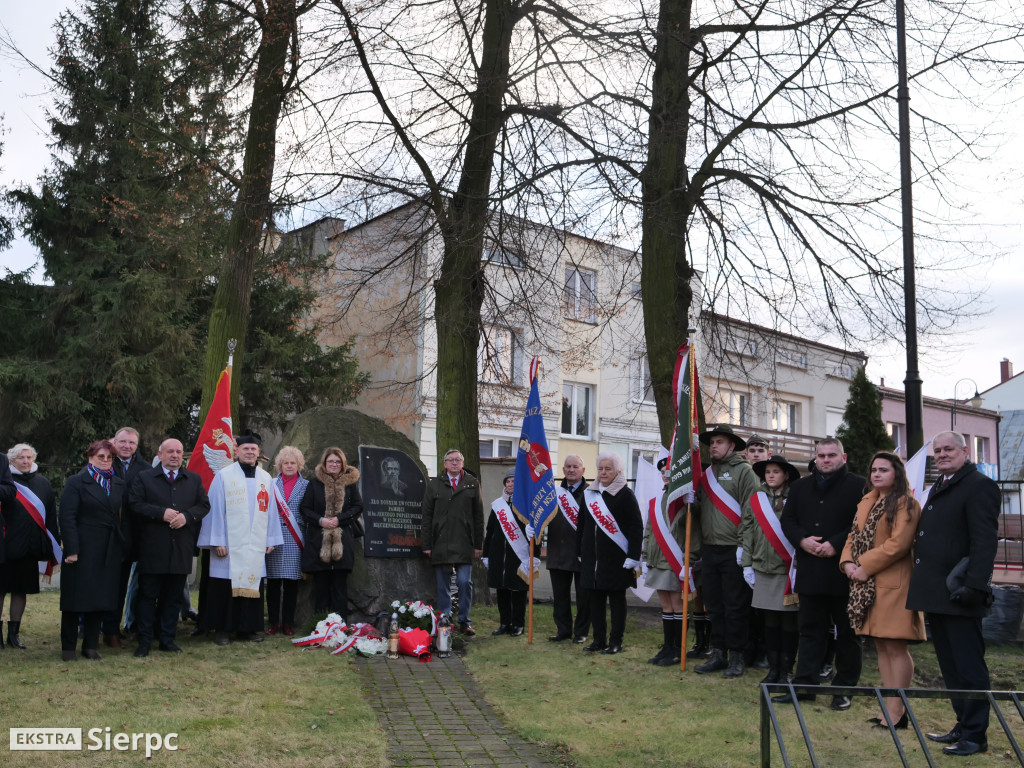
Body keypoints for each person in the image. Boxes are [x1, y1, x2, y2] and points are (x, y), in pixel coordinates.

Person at [907, 431, 1000, 756]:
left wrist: (974, 586)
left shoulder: (979, 486)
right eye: (938, 451)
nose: (942, 455)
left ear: (964, 451)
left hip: (961, 593)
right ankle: (963, 724)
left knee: (969, 667)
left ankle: (976, 736)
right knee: (950, 666)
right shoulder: (943, 486)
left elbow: (984, 542)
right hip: (937, 593)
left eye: (949, 449)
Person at [776, 437, 865, 710]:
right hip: (811, 570)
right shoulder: (801, 486)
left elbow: (863, 524)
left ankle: (844, 689)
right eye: (821, 455)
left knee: (848, 634)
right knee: (810, 632)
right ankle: (805, 687)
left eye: (831, 455)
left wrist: (835, 544)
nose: (825, 460)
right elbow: (788, 520)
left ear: (843, 457)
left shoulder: (860, 486)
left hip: (844, 571)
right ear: (815, 458)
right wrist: (803, 540)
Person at [839, 451, 924, 729]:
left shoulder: (906, 504)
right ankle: (890, 710)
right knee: (882, 647)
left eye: (884, 470)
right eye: (874, 470)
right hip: (867, 585)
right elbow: (853, 534)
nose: (876, 474)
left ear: (896, 473)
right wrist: (848, 563)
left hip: (893, 584)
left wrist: (864, 565)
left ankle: (898, 712)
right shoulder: (867, 501)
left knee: (895, 647)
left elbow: (899, 544)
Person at [198, 433, 283, 645]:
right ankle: (223, 630)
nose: (250, 452)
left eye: (254, 449)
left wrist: (270, 538)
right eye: (246, 449)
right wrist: (217, 540)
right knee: (225, 588)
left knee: (252, 586)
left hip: (254, 544)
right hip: (228, 544)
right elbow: (214, 509)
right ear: (237, 451)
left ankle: (248, 629)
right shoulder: (224, 475)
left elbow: (271, 510)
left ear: (258, 453)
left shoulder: (266, 479)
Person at [128, 438, 210, 657]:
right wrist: (160, 513)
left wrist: (187, 516)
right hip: (152, 548)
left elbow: (203, 505)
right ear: (160, 454)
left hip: (180, 548)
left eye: (179, 452)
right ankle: (144, 641)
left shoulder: (193, 479)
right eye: (170, 451)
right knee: (147, 597)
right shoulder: (144, 478)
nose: (175, 455)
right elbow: (134, 505)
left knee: (173, 598)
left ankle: (167, 639)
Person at [693, 424, 759, 678]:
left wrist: (744, 547)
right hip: (710, 551)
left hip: (734, 550)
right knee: (714, 606)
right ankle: (718, 652)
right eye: (712, 442)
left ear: (732, 445)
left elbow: (751, 512)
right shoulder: (706, 474)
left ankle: (737, 656)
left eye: (719, 442)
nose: (714, 446)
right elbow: (702, 514)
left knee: (735, 607)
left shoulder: (745, 473)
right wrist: (692, 502)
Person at [58, 440, 130, 661]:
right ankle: (69, 648)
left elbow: (120, 517)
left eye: (109, 458)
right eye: (101, 457)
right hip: (81, 548)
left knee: (100, 598)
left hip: (108, 548)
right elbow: (67, 517)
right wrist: (71, 549)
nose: (106, 461)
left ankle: (90, 646)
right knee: (74, 599)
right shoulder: (77, 482)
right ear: (90, 458)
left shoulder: (118, 483)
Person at [577, 452, 643, 655]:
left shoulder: (625, 494)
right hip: (592, 559)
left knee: (616, 601)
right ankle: (598, 640)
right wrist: (580, 551)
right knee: (595, 601)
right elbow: (581, 525)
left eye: (608, 469)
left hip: (617, 559)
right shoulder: (589, 493)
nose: (603, 472)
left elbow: (636, 527)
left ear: (617, 471)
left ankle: (616, 641)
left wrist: (633, 555)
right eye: (601, 469)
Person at [744, 454, 801, 685]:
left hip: (787, 569)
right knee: (769, 621)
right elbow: (747, 530)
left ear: (786, 475)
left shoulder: (796, 497)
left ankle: (786, 669)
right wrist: (746, 562)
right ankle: (773, 668)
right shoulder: (756, 498)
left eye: (776, 471)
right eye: (768, 472)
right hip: (763, 568)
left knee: (788, 622)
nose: (771, 475)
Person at [421, 449, 484, 636]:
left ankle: (464, 621)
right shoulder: (434, 485)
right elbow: (427, 516)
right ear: (445, 464)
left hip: (465, 542)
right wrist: (427, 544)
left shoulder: (472, 484)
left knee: (465, 582)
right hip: (441, 541)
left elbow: (478, 516)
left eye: (458, 460)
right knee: (443, 586)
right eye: (451, 460)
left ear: (462, 463)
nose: (454, 463)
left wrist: (479, 545)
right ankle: (445, 621)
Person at [645, 456, 699, 667]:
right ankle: (668, 647)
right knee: (666, 606)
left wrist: (689, 560)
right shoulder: (658, 500)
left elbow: (693, 533)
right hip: (658, 559)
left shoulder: (685, 500)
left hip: (675, 559)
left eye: (669, 472)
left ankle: (678, 648)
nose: (665, 476)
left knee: (678, 606)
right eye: (662, 473)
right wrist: (645, 557)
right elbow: (649, 530)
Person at [3, 444, 58, 649]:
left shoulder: (43, 483)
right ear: (11, 461)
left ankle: (13, 635)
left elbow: (50, 517)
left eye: (29, 457)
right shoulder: (5, 481)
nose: (25, 461)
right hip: (6, 546)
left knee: (21, 590)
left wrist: (53, 544)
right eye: (20, 458)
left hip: (29, 549)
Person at [300, 447, 362, 621]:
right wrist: (321, 520)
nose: (334, 464)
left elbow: (358, 506)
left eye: (337, 461)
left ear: (342, 464)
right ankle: (320, 626)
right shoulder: (314, 484)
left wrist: (339, 520)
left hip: (343, 541)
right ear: (324, 463)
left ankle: (340, 625)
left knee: (340, 588)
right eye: (331, 461)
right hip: (320, 542)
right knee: (321, 589)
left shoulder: (350, 484)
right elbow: (304, 509)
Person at [547, 454, 590, 643]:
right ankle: (563, 630)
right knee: (560, 596)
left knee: (584, 597)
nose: (571, 470)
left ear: (583, 470)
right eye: (568, 467)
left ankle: (581, 632)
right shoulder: (553, 493)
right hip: (558, 550)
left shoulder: (592, 493)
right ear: (563, 470)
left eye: (575, 466)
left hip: (583, 553)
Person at [267, 446, 309, 635]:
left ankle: (288, 624)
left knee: (291, 584)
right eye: (286, 463)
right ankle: (273, 622)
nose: (289, 466)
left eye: (293, 463)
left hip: (295, 537)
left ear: (299, 465)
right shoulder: (270, 484)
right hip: (274, 538)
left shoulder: (306, 485)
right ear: (280, 465)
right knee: (274, 584)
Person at [483, 469, 530, 636]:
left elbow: (534, 534)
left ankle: (518, 624)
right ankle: (505, 623)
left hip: (518, 555)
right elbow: (490, 531)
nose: (510, 484)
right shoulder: (498, 505)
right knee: (502, 590)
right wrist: (486, 554)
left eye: (513, 481)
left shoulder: (526, 504)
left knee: (518, 591)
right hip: (498, 555)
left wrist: (535, 555)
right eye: (508, 481)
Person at [108, 426, 144, 647]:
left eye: (131, 443)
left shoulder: (145, 469)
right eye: (122, 442)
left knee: (123, 586)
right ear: (115, 442)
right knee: (103, 585)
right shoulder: (103, 462)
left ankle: (116, 628)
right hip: (105, 536)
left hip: (132, 538)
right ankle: (90, 626)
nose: (127, 446)